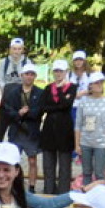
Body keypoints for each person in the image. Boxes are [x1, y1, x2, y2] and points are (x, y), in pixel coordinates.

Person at [0, 143, 70, 208]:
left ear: (16, 171)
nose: (1, 175)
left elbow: (48, 204)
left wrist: (75, 195)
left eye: (6, 170)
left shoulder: (17, 193)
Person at [39, 60, 77, 194]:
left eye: (61, 71)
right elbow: (43, 107)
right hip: (49, 129)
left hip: (65, 129)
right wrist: (60, 104)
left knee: (65, 165)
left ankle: (63, 192)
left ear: (66, 72)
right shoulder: (48, 88)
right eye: (56, 71)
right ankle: (48, 190)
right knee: (48, 164)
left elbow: (67, 104)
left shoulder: (72, 87)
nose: (58, 74)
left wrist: (60, 91)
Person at [74, 72, 105, 185]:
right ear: (90, 85)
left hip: (102, 142)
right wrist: (77, 144)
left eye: (101, 82)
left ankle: (99, 193)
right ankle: (87, 192)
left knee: (99, 172)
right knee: (86, 172)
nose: (99, 85)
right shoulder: (83, 101)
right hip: (85, 141)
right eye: (96, 83)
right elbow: (78, 124)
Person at [0, 38, 30, 145]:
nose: (16, 51)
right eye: (14, 49)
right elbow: (0, 79)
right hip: (6, 101)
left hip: (20, 101)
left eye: (19, 49)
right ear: (10, 49)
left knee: (16, 133)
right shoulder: (3, 62)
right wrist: (8, 91)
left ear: (22, 50)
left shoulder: (27, 62)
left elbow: (29, 80)